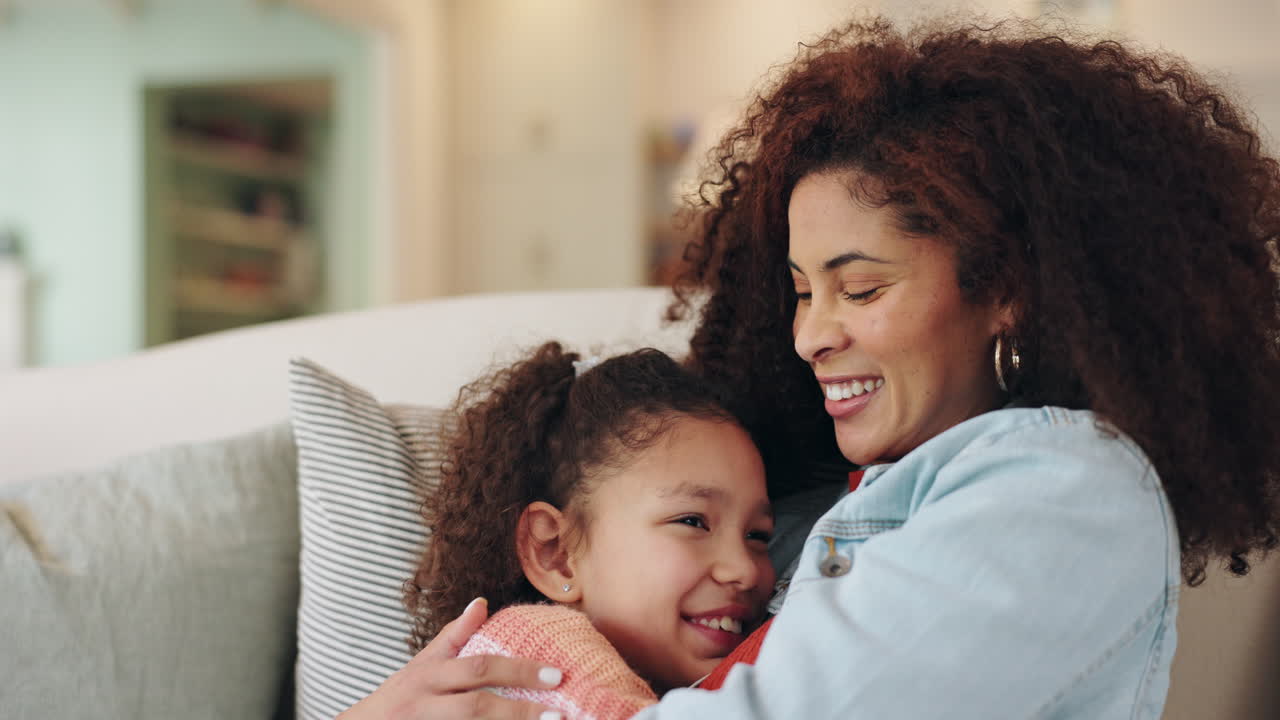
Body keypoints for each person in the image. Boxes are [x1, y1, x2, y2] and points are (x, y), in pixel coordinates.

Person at [341, 13, 1280, 720]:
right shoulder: (787, 516)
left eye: (860, 288)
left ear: (1008, 288)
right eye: (799, 291)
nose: (809, 336)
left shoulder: (1066, 488)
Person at [400, 341, 776, 718]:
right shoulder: (529, 647)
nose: (743, 570)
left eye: (758, 535)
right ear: (557, 555)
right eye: (693, 521)